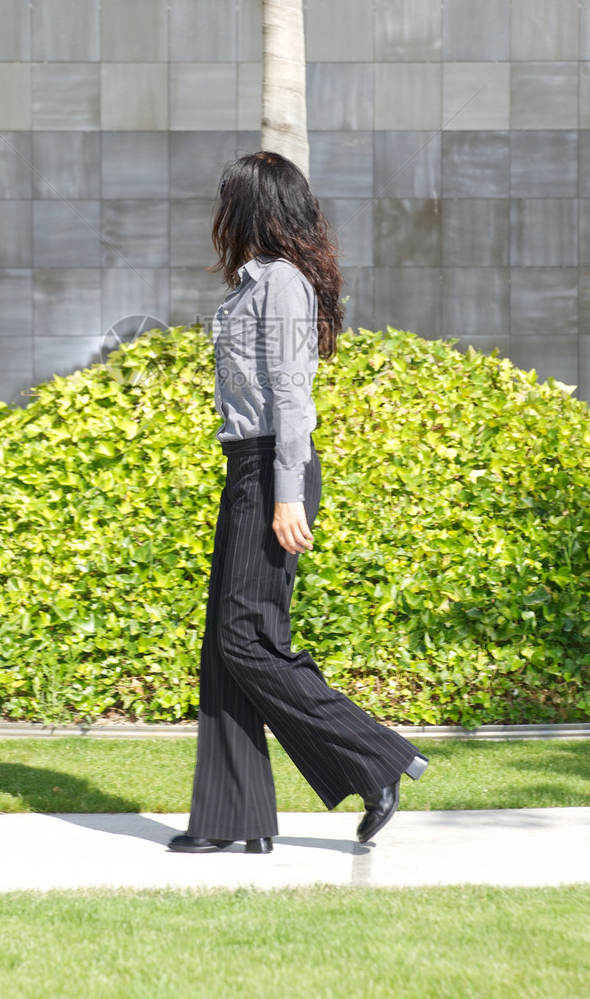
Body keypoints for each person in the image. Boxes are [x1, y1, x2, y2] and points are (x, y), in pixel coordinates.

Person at [167, 150, 428, 856]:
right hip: (245, 466)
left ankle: (377, 760)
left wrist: (286, 495)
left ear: (254, 206)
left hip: (273, 468)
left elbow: (292, 396)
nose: (222, 211)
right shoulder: (255, 282)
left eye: (231, 199)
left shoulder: (283, 284)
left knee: (247, 641)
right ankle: (230, 817)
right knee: (225, 649)